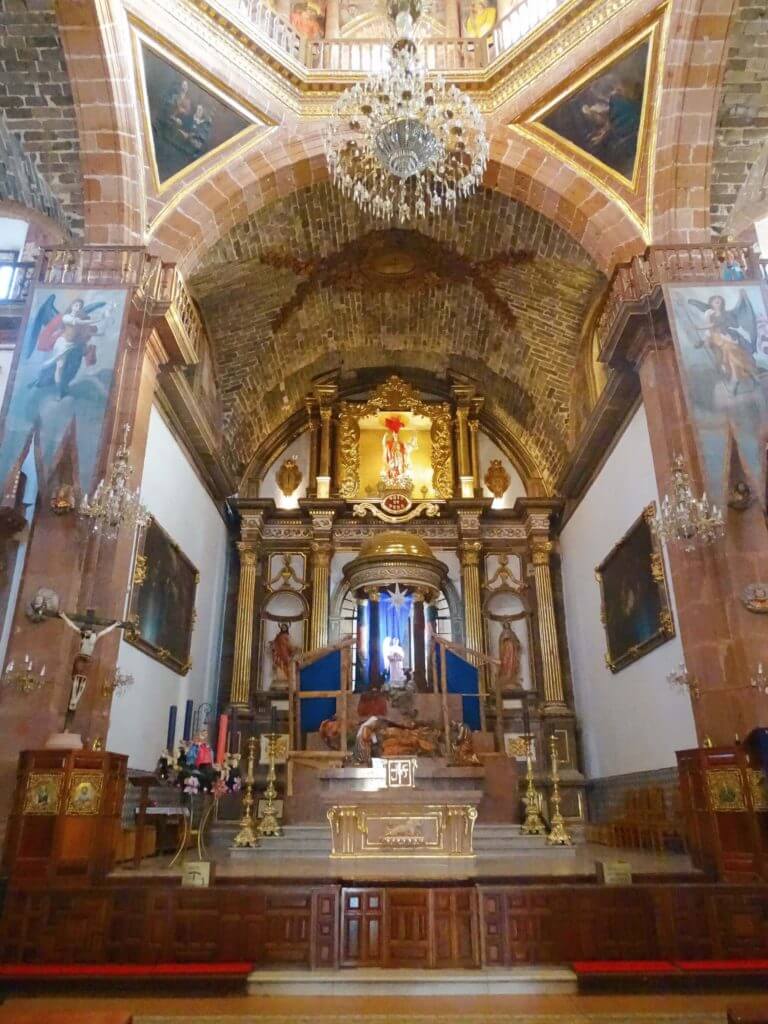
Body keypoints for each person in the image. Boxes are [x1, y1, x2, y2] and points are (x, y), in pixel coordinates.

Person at [497, 620, 521, 688]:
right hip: (505, 652)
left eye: (507, 624)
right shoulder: (502, 634)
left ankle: (511, 678)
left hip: (512, 652)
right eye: (505, 624)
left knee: (512, 664)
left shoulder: (512, 633)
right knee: (505, 664)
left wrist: (515, 643)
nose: (506, 625)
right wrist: (505, 641)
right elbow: (500, 643)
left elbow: (517, 642)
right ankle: (505, 677)